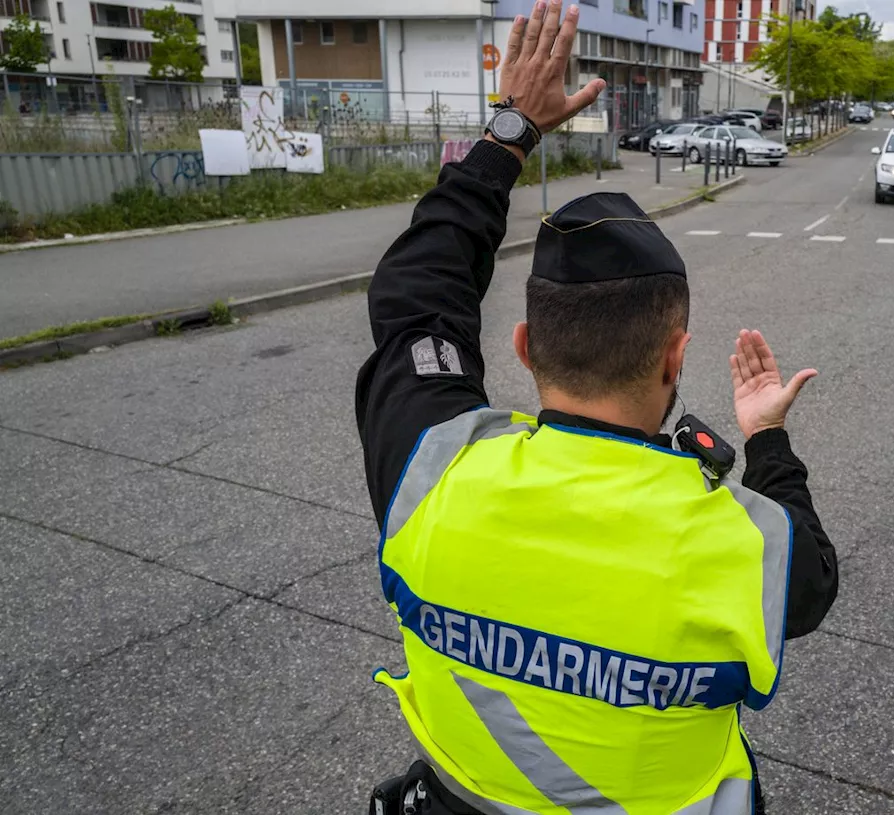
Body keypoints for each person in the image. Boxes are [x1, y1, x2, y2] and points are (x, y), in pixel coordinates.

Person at [354, 2, 840, 813]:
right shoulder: (741, 543)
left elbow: (413, 299)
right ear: (676, 355)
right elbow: (813, 577)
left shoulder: (432, 474)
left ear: (522, 346)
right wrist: (768, 439)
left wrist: (509, 132)